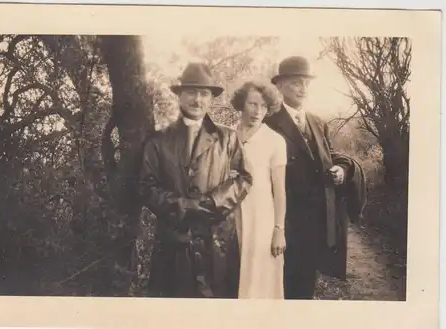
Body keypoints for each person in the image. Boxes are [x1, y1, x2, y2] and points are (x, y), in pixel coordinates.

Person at [138, 62, 253, 298]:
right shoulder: (159, 140)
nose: (197, 100)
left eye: (204, 93)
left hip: (217, 243)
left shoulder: (228, 138)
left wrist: (213, 203)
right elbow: (146, 186)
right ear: (179, 95)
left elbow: (244, 178)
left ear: (211, 98)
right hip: (174, 241)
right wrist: (181, 206)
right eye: (191, 92)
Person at [263, 56, 356, 299]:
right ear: (280, 86)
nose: (303, 89)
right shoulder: (269, 123)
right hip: (286, 221)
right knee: (283, 285)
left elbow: (330, 155)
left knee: (305, 287)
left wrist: (341, 169)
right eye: (296, 83)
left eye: (306, 83)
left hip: (316, 222)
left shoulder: (317, 122)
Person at [231, 80, 287, 299]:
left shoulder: (275, 141)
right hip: (229, 214)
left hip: (261, 217)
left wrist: (278, 230)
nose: (258, 111)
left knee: (260, 279)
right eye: (253, 104)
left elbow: (280, 190)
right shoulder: (226, 135)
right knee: (232, 275)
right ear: (241, 104)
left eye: (264, 106)